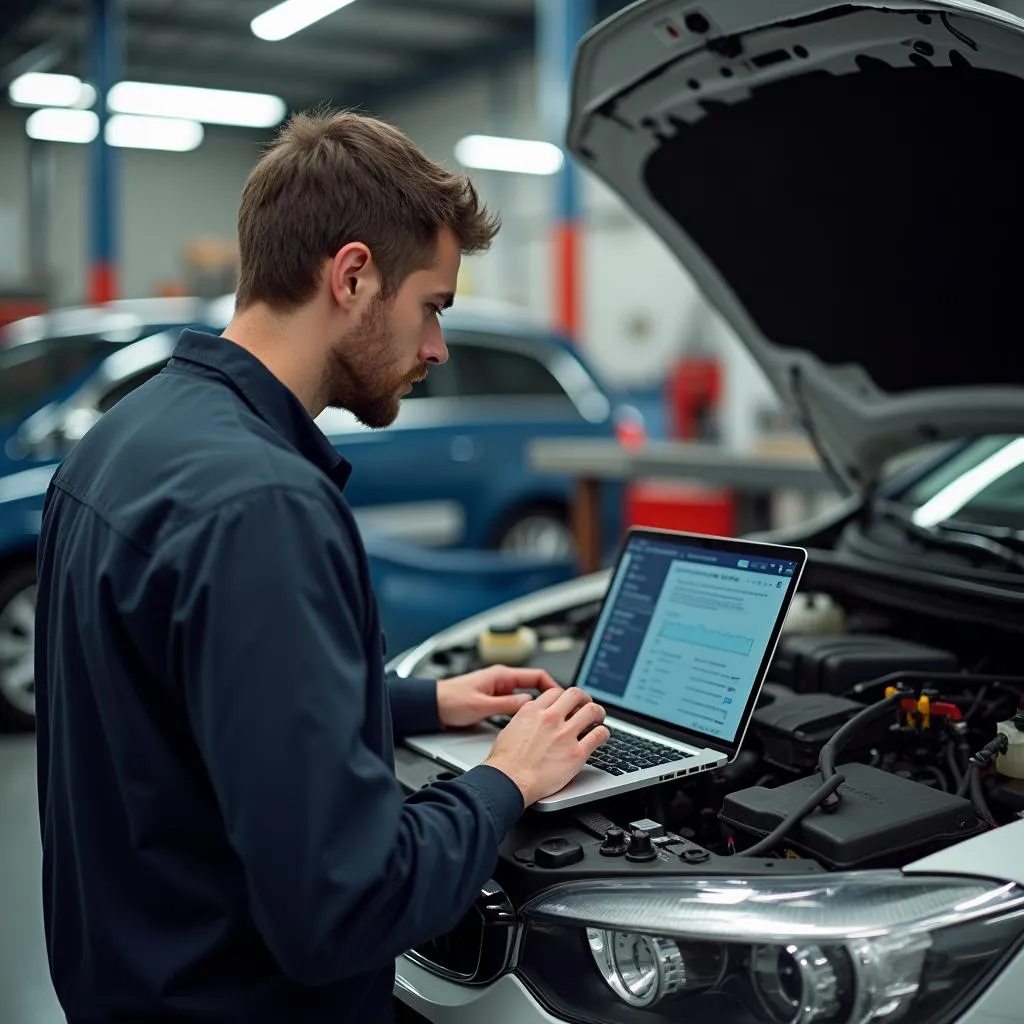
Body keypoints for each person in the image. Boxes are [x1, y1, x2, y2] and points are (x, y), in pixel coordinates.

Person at [34, 109, 609, 1024]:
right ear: (352, 275)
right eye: (434, 305)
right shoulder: (263, 506)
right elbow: (344, 907)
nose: (436, 348)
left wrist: (422, 703)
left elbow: (182, 715)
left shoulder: (123, 441)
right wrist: (508, 778)